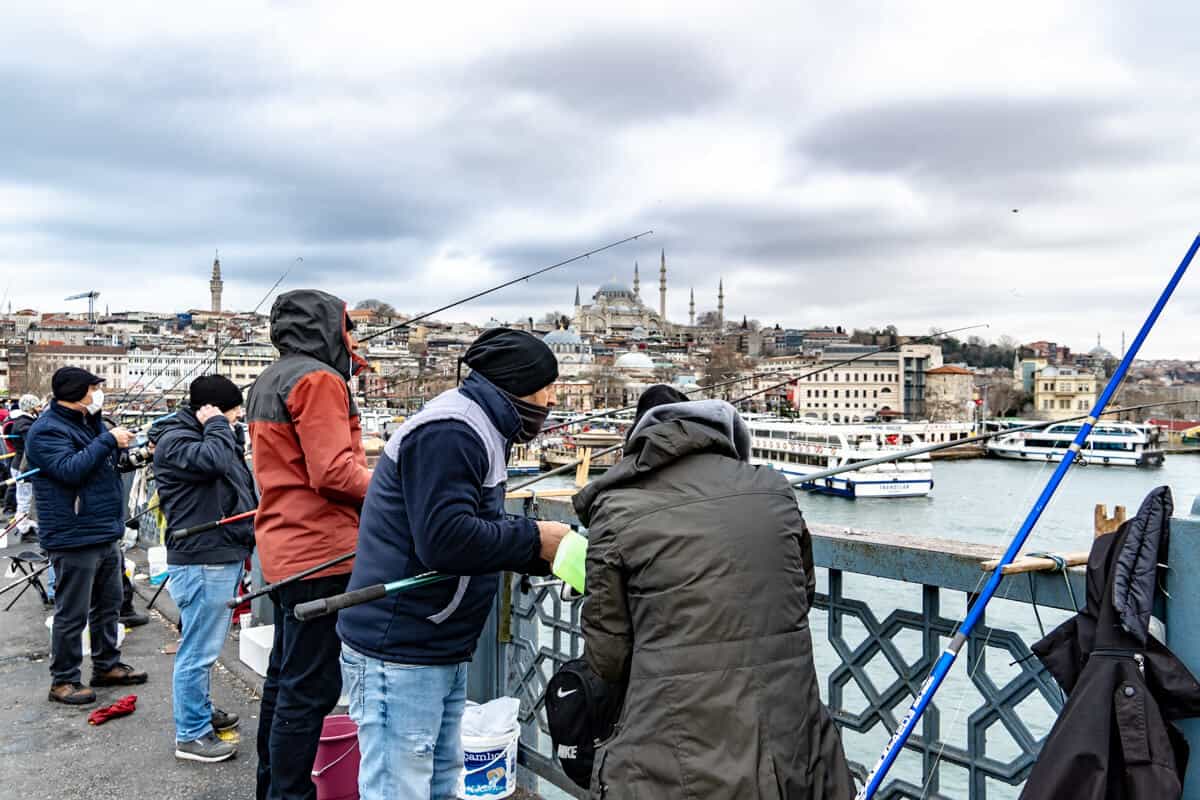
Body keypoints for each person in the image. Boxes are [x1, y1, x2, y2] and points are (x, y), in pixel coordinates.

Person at [574, 388, 855, 799]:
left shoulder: (617, 507)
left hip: (676, 753)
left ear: (639, 438)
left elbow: (608, 656)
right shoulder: (774, 490)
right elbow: (800, 596)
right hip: (793, 742)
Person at [337, 327, 570, 800]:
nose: (551, 399)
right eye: (546, 385)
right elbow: (445, 539)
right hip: (400, 647)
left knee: (439, 784)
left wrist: (537, 552)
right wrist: (533, 540)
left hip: (434, 642)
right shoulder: (452, 430)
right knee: (398, 788)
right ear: (518, 383)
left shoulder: (482, 424)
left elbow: (472, 524)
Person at [246, 289, 373, 800]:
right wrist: (395, 481)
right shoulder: (318, 380)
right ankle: (290, 794)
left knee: (284, 682)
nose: (352, 337)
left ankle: (272, 787)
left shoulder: (270, 378)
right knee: (308, 690)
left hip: (282, 548)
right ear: (328, 327)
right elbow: (334, 473)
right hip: (320, 552)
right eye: (347, 326)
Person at [25, 367, 148, 705]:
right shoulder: (46, 430)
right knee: (72, 612)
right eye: (94, 388)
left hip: (105, 530)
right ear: (78, 391)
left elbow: (103, 465)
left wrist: (132, 455)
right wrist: (108, 440)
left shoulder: (91, 422)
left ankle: (106, 665)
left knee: (109, 605)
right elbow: (69, 469)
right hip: (73, 534)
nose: (98, 394)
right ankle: (63, 680)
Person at [152, 375, 257, 763]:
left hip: (219, 553)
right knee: (198, 649)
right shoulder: (177, 441)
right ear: (209, 410)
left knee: (205, 645)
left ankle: (200, 710)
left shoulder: (202, 435)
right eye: (230, 416)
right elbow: (213, 461)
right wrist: (217, 426)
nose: (234, 423)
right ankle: (191, 734)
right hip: (202, 559)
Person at [4, 393, 42, 538]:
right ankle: (25, 530)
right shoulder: (24, 424)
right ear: (30, 408)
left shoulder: (26, 421)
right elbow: (31, 447)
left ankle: (27, 527)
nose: (40, 408)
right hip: (23, 466)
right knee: (25, 499)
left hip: (21, 464)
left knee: (27, 498)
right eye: (37, 406)